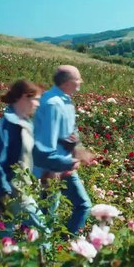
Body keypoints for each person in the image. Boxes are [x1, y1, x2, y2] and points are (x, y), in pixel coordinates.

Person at [0, 79, 49, 235]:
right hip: (14, 192)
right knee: (42, 231)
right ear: (23, 97)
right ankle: (46, 259)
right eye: (35, 99)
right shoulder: (7, 126)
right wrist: (4, 190)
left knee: (3, 236)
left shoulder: (23, 124)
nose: (37, 104)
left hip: (18, 190)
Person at [33, 65, 94, 237]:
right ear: (67, 83)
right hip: (54, 167)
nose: (80, 83)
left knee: (50, 211)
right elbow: (46, 142)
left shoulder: (64, 101)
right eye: (77, 80)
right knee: (76, 206)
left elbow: (68, 133)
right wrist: (53, 169)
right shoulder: (53, 104)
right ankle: (59, 245)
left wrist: (78, 150)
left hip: (63, 163)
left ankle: (53, 246)